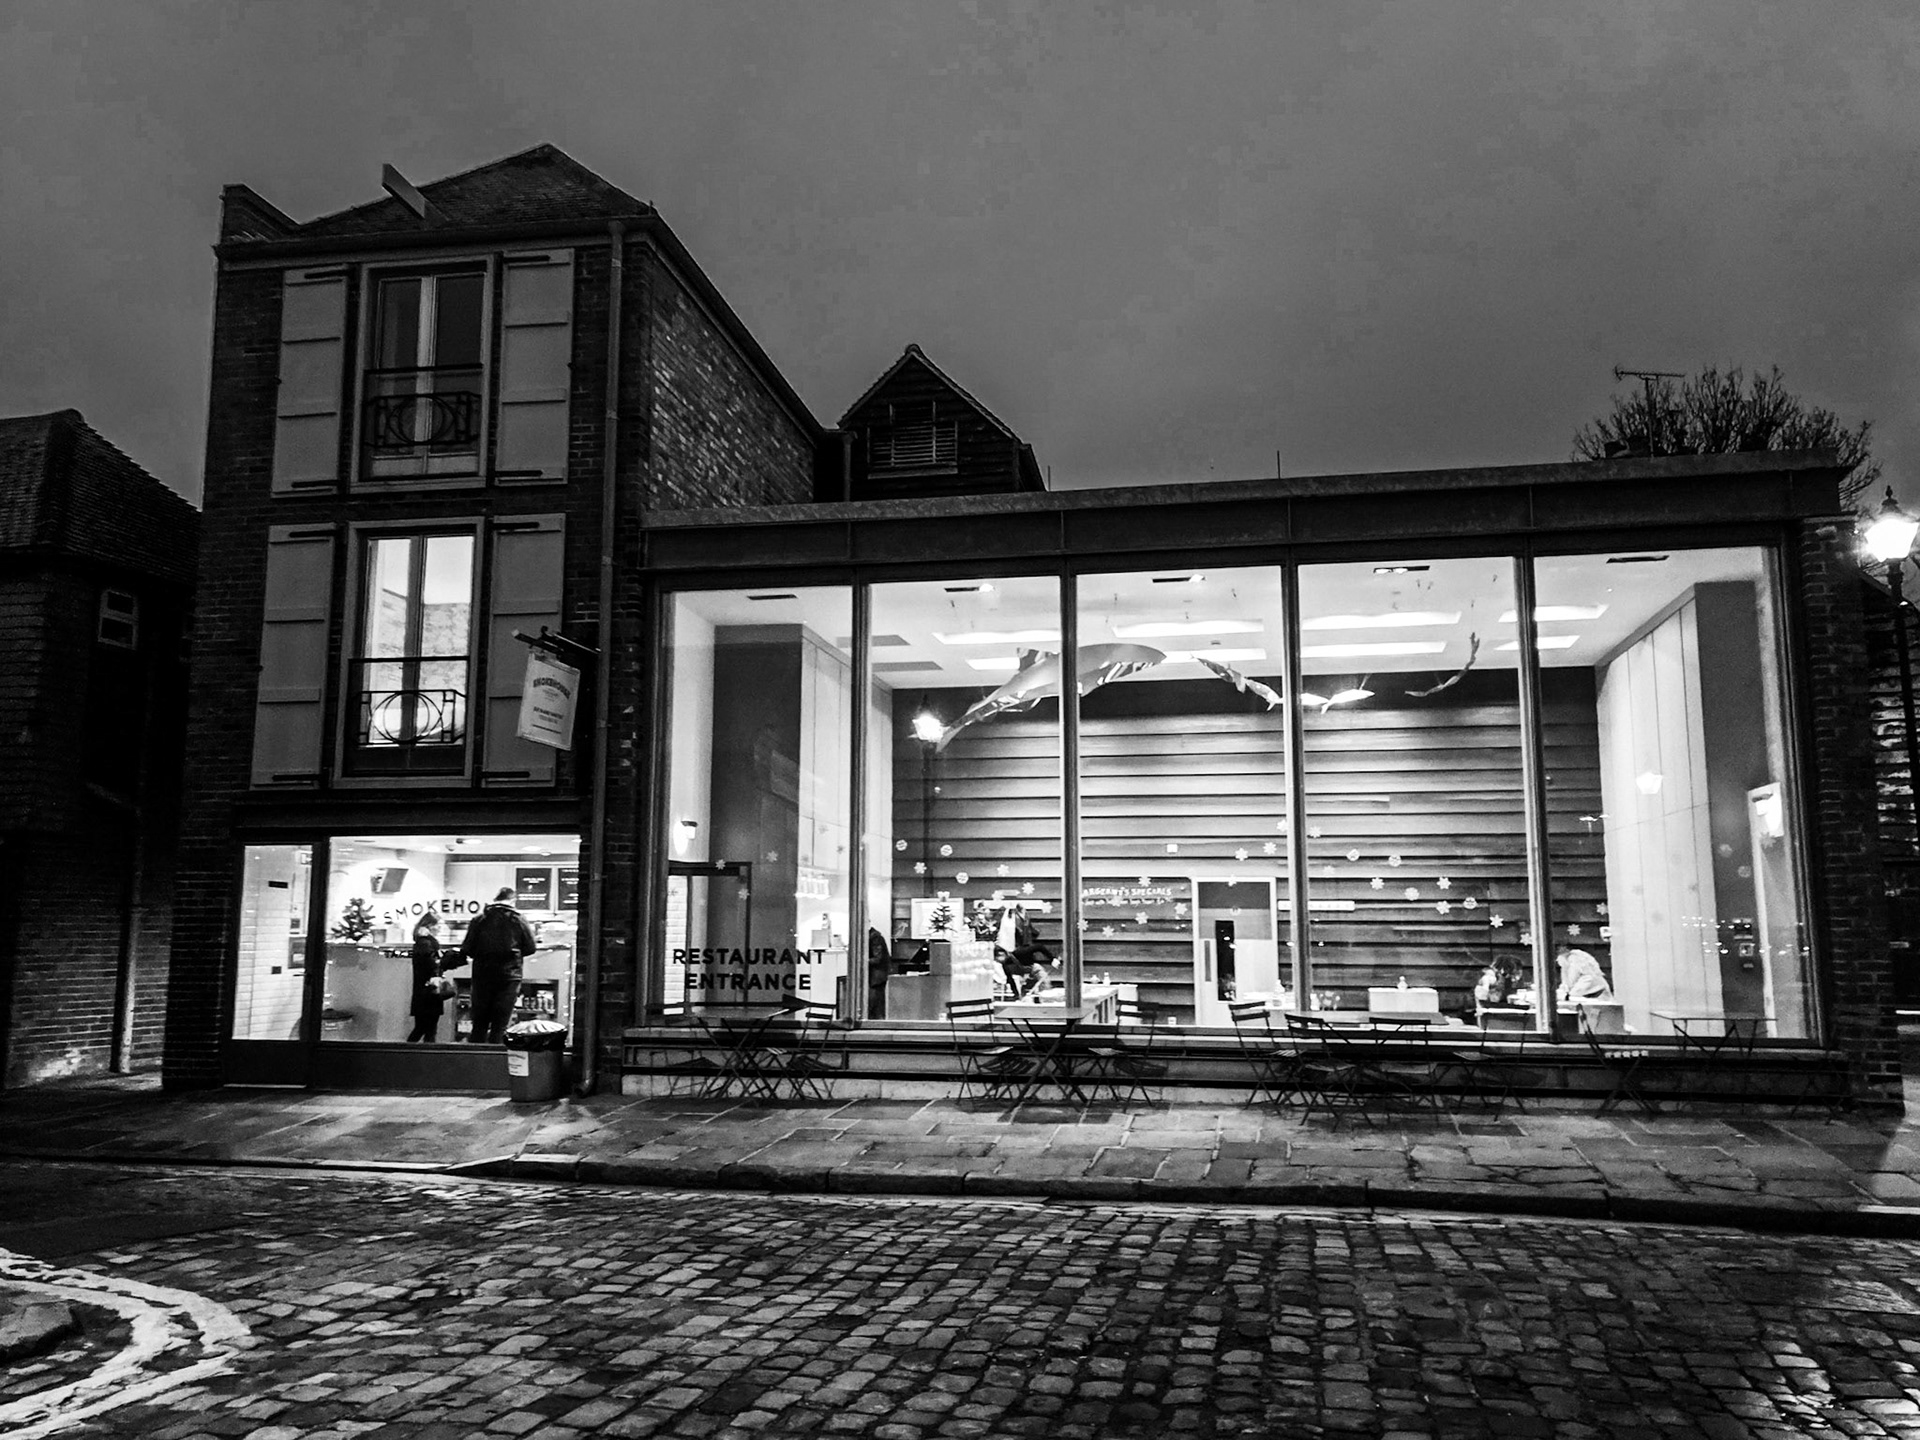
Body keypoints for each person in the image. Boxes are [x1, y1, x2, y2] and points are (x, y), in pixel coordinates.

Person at [460, 887, 538, 1043]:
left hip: (482, 976)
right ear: (513, 900)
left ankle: (474, 1062)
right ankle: (495, 1062)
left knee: (479, 1025)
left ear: (495, 900)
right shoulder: (519, 919)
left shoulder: (479, 920)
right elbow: (531, 947)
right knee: (500, 1026)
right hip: (509, 977)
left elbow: (467, 948)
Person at [406, 912, 455, 1043]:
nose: (440, 928)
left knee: (424, 1028)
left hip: (425, 992)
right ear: (430, 925)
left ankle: (410, 1054)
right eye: (439, 925)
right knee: (427, 1028)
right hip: (429, 992)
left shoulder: (422, 942)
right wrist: (448, 958)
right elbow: (432, 965)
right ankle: (409, 1054)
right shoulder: (426, 943)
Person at [997, 906, 1054, 998]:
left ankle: (1047, 995)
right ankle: (1022, 993)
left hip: (1031, 967)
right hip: (1019, 970)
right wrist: (1016, 995)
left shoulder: (1021, 951)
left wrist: (1052, 959)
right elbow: (1010, 979)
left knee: (1042, 976)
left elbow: (1040, 947)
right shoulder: (1006, 964)